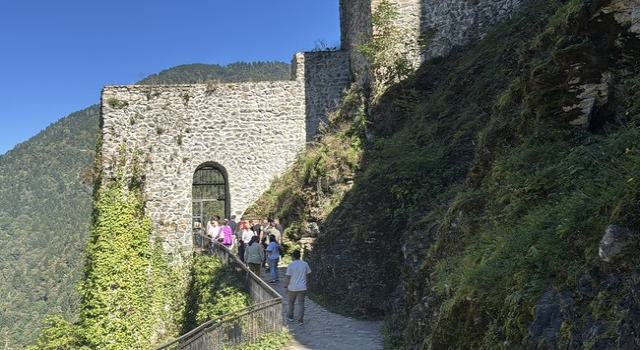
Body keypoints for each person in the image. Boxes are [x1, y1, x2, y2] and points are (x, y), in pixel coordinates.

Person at [284, 249, 311, 325]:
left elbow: (288, 277)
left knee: (291, 302)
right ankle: (300, 320)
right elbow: (308, 274)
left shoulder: (291, 265)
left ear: (293, 256)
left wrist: (286, 287)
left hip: (292, 287)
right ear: (300, 256)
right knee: (301, 303)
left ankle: (290, 316)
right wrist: (307, 283)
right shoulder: (305, 264)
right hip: (302, 286)